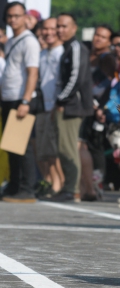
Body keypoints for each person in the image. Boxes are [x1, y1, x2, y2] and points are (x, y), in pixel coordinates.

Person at [44, 12, 93, 202]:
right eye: (58, 26)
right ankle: (69, 187)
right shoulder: (67, 48)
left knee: (68, 149)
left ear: (74, 28)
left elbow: (76, 78)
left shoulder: (76, 47)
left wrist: (60, 100)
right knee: (62, 148)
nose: (60, 30)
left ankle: (72, 190)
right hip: (67, 104)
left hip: (73, 106)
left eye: (64, 26)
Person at [1, 2, 40, 203]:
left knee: (21, 147)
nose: (13, 20)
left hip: (21, 99)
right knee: (11, 145)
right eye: (9, 16)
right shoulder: (10, 41)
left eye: (16, 16)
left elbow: (33, 73)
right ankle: (14, 186)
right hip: (8, 98)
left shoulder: (29, 41)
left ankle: (27, 189)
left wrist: (25, 100)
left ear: (25, 17)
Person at [79, 24, 115, 201]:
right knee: (84, 144)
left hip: (97, 108)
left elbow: (108, 86)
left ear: (109, 41)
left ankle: (97, 183)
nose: (98, 39)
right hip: (82, 106)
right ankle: (86, 184)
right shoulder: (85, 52)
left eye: (103, 37)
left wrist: (100, 106)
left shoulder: (108, 59)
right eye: (97, 35)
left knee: (95, 146)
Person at [34, 17, 65, 198]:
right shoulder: (42, 54)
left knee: (54, 150)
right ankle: (54, 183)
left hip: (57, 107)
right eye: (45, 29)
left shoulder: (62, 52)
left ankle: (59, 184)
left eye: (53, 29)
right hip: (43, 106)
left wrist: (58, 104)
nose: (49, 32)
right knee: (45, 150)